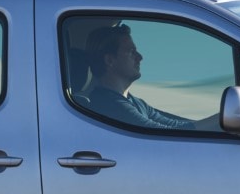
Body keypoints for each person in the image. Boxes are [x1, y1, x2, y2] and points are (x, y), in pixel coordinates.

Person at [80, 24, 216, 130]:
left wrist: (222, 122)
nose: (140, 57)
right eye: (131, 52)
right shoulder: (109, 104)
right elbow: (165, 133)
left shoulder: (134, 102)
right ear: (110, 60)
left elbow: (175, 125)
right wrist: (222, 120)